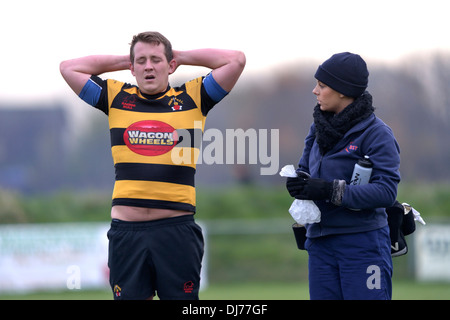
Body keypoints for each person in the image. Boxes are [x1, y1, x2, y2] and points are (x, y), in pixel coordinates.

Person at [60, 31, 245, 300]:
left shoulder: (194, 97)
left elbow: (236, 60)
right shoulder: (115, 97)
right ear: (133, 68)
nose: (149, 66)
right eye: (142, 61)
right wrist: (125, 61)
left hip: (176, 230)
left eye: (157, 60)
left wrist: (181, 56)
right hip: (127, 234)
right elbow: (68, 68)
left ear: (170, 66)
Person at [286, 52, 400, 300]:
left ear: (343, 91)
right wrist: (300, 183)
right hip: (320, 242)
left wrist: (330, 191)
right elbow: (305, 166)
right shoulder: (317, 126)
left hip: (363, 244)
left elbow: (386, 191)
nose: (314, 91)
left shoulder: (377, 133)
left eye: (322, 85)